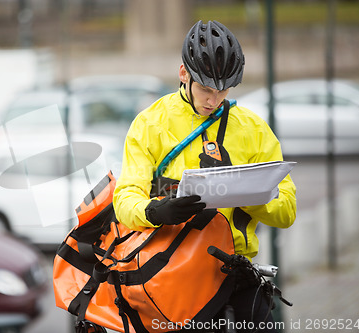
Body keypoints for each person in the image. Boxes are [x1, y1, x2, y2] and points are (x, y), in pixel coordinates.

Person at [112, 20, 296, 332]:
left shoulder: (253, 129)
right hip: (174, 273)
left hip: (238, 272)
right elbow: (125, 198)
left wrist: (249, 193)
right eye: (206, 89)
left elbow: (287, 212)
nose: (213, 100)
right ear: (184, 74)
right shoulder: (150, 124)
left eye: (223, 90)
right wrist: (155, 211)